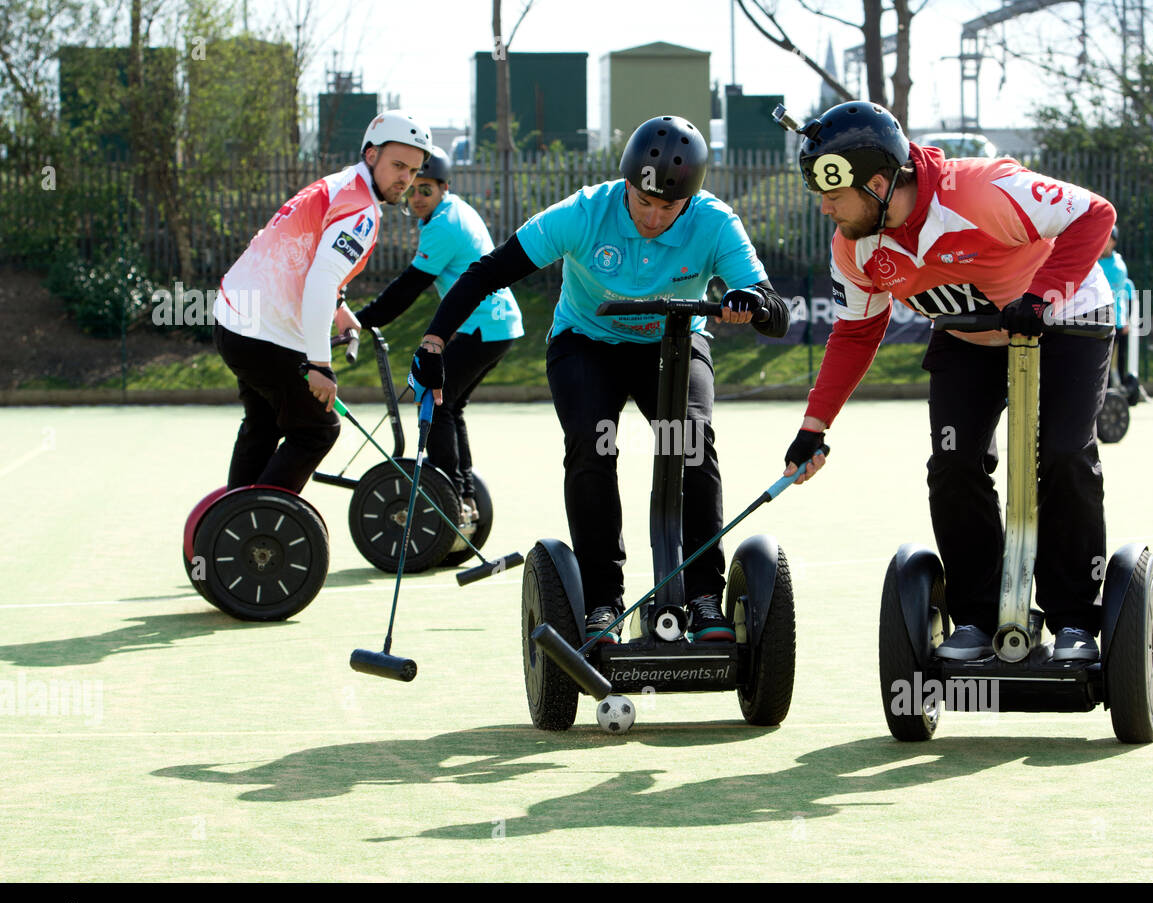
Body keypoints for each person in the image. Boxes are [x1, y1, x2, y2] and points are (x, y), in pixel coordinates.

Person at [409, 115, 790, 644]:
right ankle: (603, 601)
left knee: (694, 442)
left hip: (674, 342)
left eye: (669, 208)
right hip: (586, 342)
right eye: (644, 202)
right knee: (592, 446)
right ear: (628, 184)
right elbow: (488, 271)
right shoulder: (585, 212)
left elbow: (775, 311)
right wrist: (433, 341)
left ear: (690, 199)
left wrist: (751, 303)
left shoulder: (715, 221)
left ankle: (704, 597)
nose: (654, 218)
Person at [781, 101, 1117, 662]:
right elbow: (856, 333)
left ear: (881, 184)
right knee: (953, 465)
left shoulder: (983, 191)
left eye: (834, 195)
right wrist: (814, 427)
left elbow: (1094, 214)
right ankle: (980, 618)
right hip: (969, 338)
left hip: (1064, 321)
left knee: (1060, 455)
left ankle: (1076, 621)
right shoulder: (855, 243)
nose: (824, 208)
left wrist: (1042, 295)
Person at [212, 111, 432, 492]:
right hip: (266, 332)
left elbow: (308, 258)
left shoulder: (339, 185)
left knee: (264, 424)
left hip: (234, 320)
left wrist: (338, 307)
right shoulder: (360, 211)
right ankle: (260, 526)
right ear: (371, 155)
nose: (405, 180)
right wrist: (319, 365)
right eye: (398, 165)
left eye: (413, 172)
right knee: (318, 430)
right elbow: (318, 282)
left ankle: (231, 522)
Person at [348, 146, 524, 523]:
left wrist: (360, 320)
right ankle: (464, 495)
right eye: (412, 187)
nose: (416, 197)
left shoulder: (445, 224)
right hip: (496, 325)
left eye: (425, 189)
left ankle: (456, 499)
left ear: (444, 187)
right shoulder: (453, 210)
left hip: (484, 327)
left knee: (435, 397)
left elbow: (408, 287)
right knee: (451, 404)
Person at [1098, 225, 1144, 402]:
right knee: (1104, 360)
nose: (1104, 244)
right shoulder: (1096, 261)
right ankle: (1105, 391)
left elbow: (1117, 298)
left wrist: (1124, 321)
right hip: (1100, 321)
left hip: (1115, 322)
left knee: (1118, 358)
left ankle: (1122, 391)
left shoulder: (1118, 267)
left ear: (1114, 242)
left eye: (1108, 240)